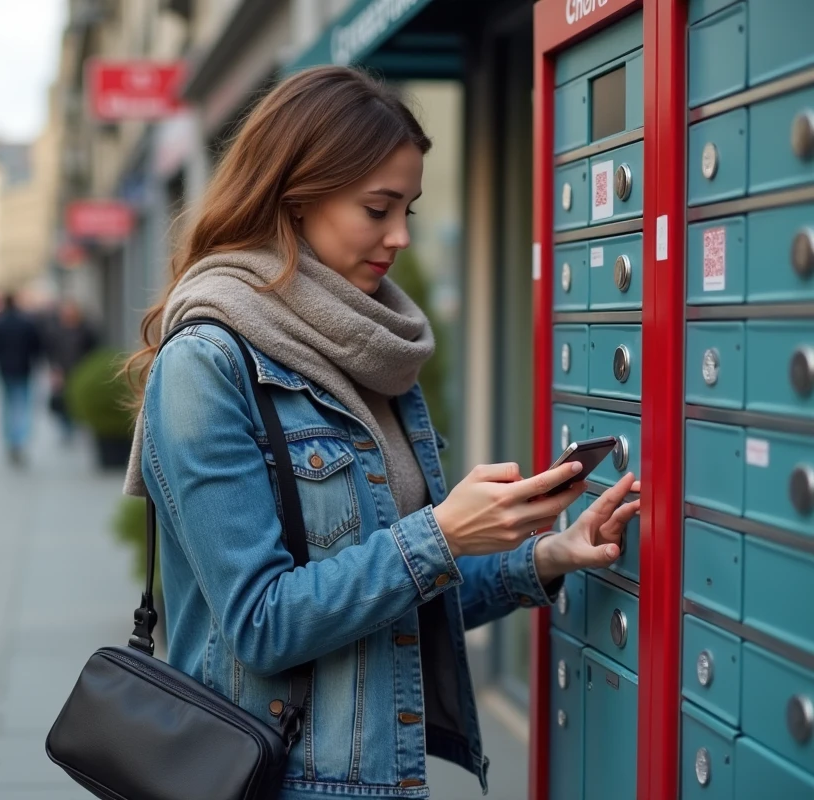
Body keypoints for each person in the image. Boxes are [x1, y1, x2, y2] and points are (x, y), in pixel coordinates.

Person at [122, 66, 642, 799]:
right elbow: (262, 624)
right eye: (377, 208)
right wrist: (444, 533)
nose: (399, 236)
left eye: (411, 210)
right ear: (295, 196)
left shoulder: (368, 346)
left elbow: (398, 598)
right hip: (277, 780)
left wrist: (544, 555)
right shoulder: (207, 363)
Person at [0, 292, 42, 463]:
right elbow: (36, 347)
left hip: (5, 371)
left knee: (7, 407)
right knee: (23, 407)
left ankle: (11, 441)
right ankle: (20, 441)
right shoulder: (26, 323)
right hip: (23, 370)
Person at [44, 298, 97, 440]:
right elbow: (51, 351)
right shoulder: (56, 330)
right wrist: (54, 369)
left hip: (82, 369)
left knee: (76, 399)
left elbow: (93, 348)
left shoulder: (86, 329)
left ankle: (76, 424)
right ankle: (66, 428)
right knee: (62, 400)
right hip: (62, 370)